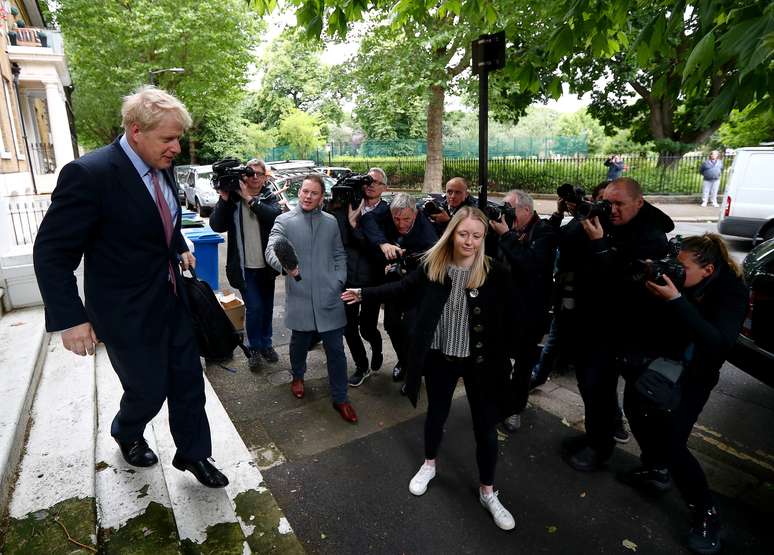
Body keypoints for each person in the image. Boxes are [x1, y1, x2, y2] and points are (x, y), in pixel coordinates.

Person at [32, 86, 228, 488]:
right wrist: (71, 319)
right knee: (148, 389)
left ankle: (195, 455)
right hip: (124, 311)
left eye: (178, 138)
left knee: (189, 380)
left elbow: (160, 216)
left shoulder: (162, 163)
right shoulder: (90, 175)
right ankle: (127, 430)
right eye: (168, 138)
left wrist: (177, 246)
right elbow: (51, 252)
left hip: (172, 300)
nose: (176, 147)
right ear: (136, 130)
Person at [342, 207, 517, 530]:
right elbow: (401, 288)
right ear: (451, 233)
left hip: (479, 363)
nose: (470, 241)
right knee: (436, 414)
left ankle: (488, 491)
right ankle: (429, 464)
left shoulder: (495, 272)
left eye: (477, 236)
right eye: (463, 234)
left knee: (485, 428)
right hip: (440, 358)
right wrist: (364, 293)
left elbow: (510, 316)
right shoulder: (433, 264)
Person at [620, 233, 747, 555]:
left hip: (695, 375)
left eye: (683, 267)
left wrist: (676, 300)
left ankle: (706, 510)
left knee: (673, 443)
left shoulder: (731, 291)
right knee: (634, 408)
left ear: (707, 270)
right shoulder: (676, 278)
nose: (677, 272)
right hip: (660, 362)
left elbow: (718, 343)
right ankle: (655, 467)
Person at [563, 177, 674, 472]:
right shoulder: (605, 219)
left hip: (631, 331)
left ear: (639, 203)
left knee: (639, 404)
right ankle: (597, 441)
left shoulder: (652, 236)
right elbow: (567, 244)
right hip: (595, 324)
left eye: (619, 204)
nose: (611, 210)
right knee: (592, 387)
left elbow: (626, 285)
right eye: (607, 202)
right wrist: (583, 216)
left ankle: (655, 466)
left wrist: (600, 246)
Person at [265, 174, 358, 424]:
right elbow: (272, 248)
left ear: (321, 197)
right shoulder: (283, 220)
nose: (308, 196)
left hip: (330, 296)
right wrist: (287, 268)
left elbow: (339, 253)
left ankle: (341, 397)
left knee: (336, 351)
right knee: (299, 344)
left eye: (313, 193)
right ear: (300, 192)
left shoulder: (330, 222)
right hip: (301, 294)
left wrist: (339, 278)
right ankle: (297, 375)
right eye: (305, 191)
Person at [489, 190, 557, 432]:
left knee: (523, 365)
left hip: (529, 313)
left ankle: (515, 409)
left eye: (509, 208)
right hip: (502, 309)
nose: (505, 212)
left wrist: (506, 235)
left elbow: (530, 265)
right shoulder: (503, 228)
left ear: (526, 211)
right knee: (498, 359)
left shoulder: (545, 232)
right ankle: (501, 400)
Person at [209, 158, 282, 370]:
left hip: (267, 266)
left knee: (266, 307)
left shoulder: (268, 196)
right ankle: (254, 348)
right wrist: (224, 199)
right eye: (251, 174)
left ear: (265, 176)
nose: (256, 177)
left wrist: (249, 198)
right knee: (255, 307)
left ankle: (266, 344)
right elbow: (216, 225)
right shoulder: (232, 200)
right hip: (244, 268)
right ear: (244, 176)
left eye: (260, 174)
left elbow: (273, 216)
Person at [360, 193, 438, 386]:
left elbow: (429, 262)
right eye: (396, 218)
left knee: (412, 329)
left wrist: (403, 262)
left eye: (406, 219)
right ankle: (403, 361)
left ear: (415, 213)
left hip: (417, 286)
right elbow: (367, 219)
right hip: (393, 286)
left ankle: (415, 370)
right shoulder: (387, 214)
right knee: (391, 325)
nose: (401, 224)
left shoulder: (426, 232)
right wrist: (382, 242)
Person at [329, 167, 389, 387]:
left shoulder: (386, 213)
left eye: (376, 182)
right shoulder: (348, 206)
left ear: (385, 188)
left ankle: (377, 346)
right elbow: (339, 238)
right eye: (367, 181)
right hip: (348, 277)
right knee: (348, 327)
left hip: (372, 281)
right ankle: (361, 365)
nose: (370, 185)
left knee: (367, 327)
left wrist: (355, 224)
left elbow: (376, 247)